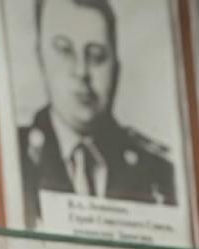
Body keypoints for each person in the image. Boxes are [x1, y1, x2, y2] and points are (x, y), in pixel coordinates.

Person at [18, 0, 176, 228]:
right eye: (65, 50)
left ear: (116, 69)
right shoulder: (14, 157)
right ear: (40, 59)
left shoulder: (158, 172)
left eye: (97, 55)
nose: (82, 71)